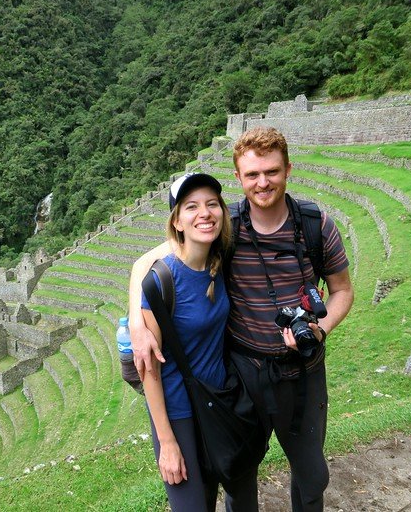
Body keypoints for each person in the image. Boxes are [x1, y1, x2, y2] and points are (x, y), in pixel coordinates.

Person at [128, 126, 354, 511]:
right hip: (243, 374)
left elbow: (343, 291)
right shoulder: (226, 227)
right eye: (252, 174)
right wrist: (137, 320)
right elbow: (148, 261)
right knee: (238, 471)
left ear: (288, 170)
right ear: (238, 178)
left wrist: (320, 329)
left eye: (272, 172)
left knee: (311, 475)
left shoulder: (317, 226)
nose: (263, 183)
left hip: (302, 372)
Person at [138, 172, 258, 511]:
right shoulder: (162, 282)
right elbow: (150, 372)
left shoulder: (221, 261)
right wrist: (167, 444)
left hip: (220, 402)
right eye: (191, 207)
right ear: (177, 221)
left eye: (211, 204)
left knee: (244, 498)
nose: (204, 213)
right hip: (180, 414)